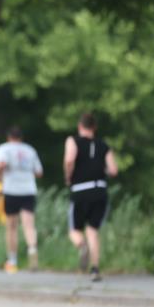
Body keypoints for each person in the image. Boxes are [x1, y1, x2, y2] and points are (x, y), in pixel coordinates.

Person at [64, 112, 118, 282]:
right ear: (94, 128)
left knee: (74, 231)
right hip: (100, 190)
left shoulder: (73, 141)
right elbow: (113, 170)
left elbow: (69, 159)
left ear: (80, 126)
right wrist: (101, 170)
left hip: (80, 189)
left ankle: (82, 246)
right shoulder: (104, 145)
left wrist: (68, 176)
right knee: (92, 230)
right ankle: (94, 269)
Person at [0, 126, 43, 273]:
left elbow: (2, 164)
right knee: (29, 225)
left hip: (11, 190)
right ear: (21, 137)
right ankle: (32, 251)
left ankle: (12, 260)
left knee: (11, 227)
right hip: (29, 189)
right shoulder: (30, 150)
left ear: (8, 137)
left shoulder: (3, 148)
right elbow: (39, 172)